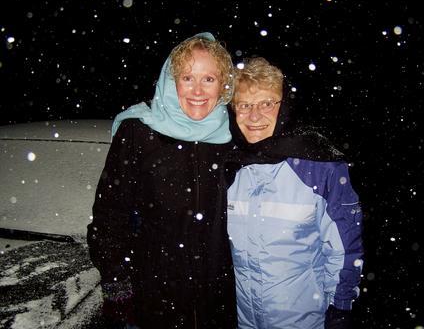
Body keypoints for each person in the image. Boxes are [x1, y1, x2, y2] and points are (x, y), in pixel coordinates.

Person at [87, 32, 237, 329]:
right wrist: (118, 286)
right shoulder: (138, 134)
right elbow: (109, 216)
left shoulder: (234, 138)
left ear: (223, 86)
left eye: (209, 79)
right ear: (170, 82)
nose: (197, 90)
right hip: (153, 298)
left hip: (218, 298)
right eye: (186, 77)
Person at [224, 57, 364, 329]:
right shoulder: (230, 167)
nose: (254, 116)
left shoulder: (320, 167)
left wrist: (341, 309)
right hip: (245, 321)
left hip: (304, 320)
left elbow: (344, 250)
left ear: (285, 107)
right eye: (244, 105)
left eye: (267, 103)